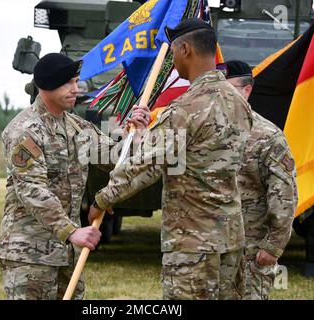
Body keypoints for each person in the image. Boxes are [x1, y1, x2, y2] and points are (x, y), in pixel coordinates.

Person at [88, 18, 253, 300]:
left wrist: (102, 199)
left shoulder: (185, 108)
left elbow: (149, 166)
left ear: (186, 49)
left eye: (173, 52)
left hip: (192, 241)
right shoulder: (240, 103)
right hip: (230, 237)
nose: (172, 60)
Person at [0, 52, 150, 300]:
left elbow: (114, 158)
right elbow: (32, 190)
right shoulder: (25, 130)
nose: (76, 89)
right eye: (68, 83)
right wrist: (70, 231)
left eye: (77, 82)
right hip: (30, 254)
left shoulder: (77, 126)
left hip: (67, 251)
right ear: (47, 85)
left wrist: (136, 135)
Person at [219, 60, 298, 299]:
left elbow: (284, 194)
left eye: (228, 88)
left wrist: (273, 246)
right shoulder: (205, 131)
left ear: (247, 90)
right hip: (211, 247)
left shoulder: (267, 137)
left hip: (250, 249)